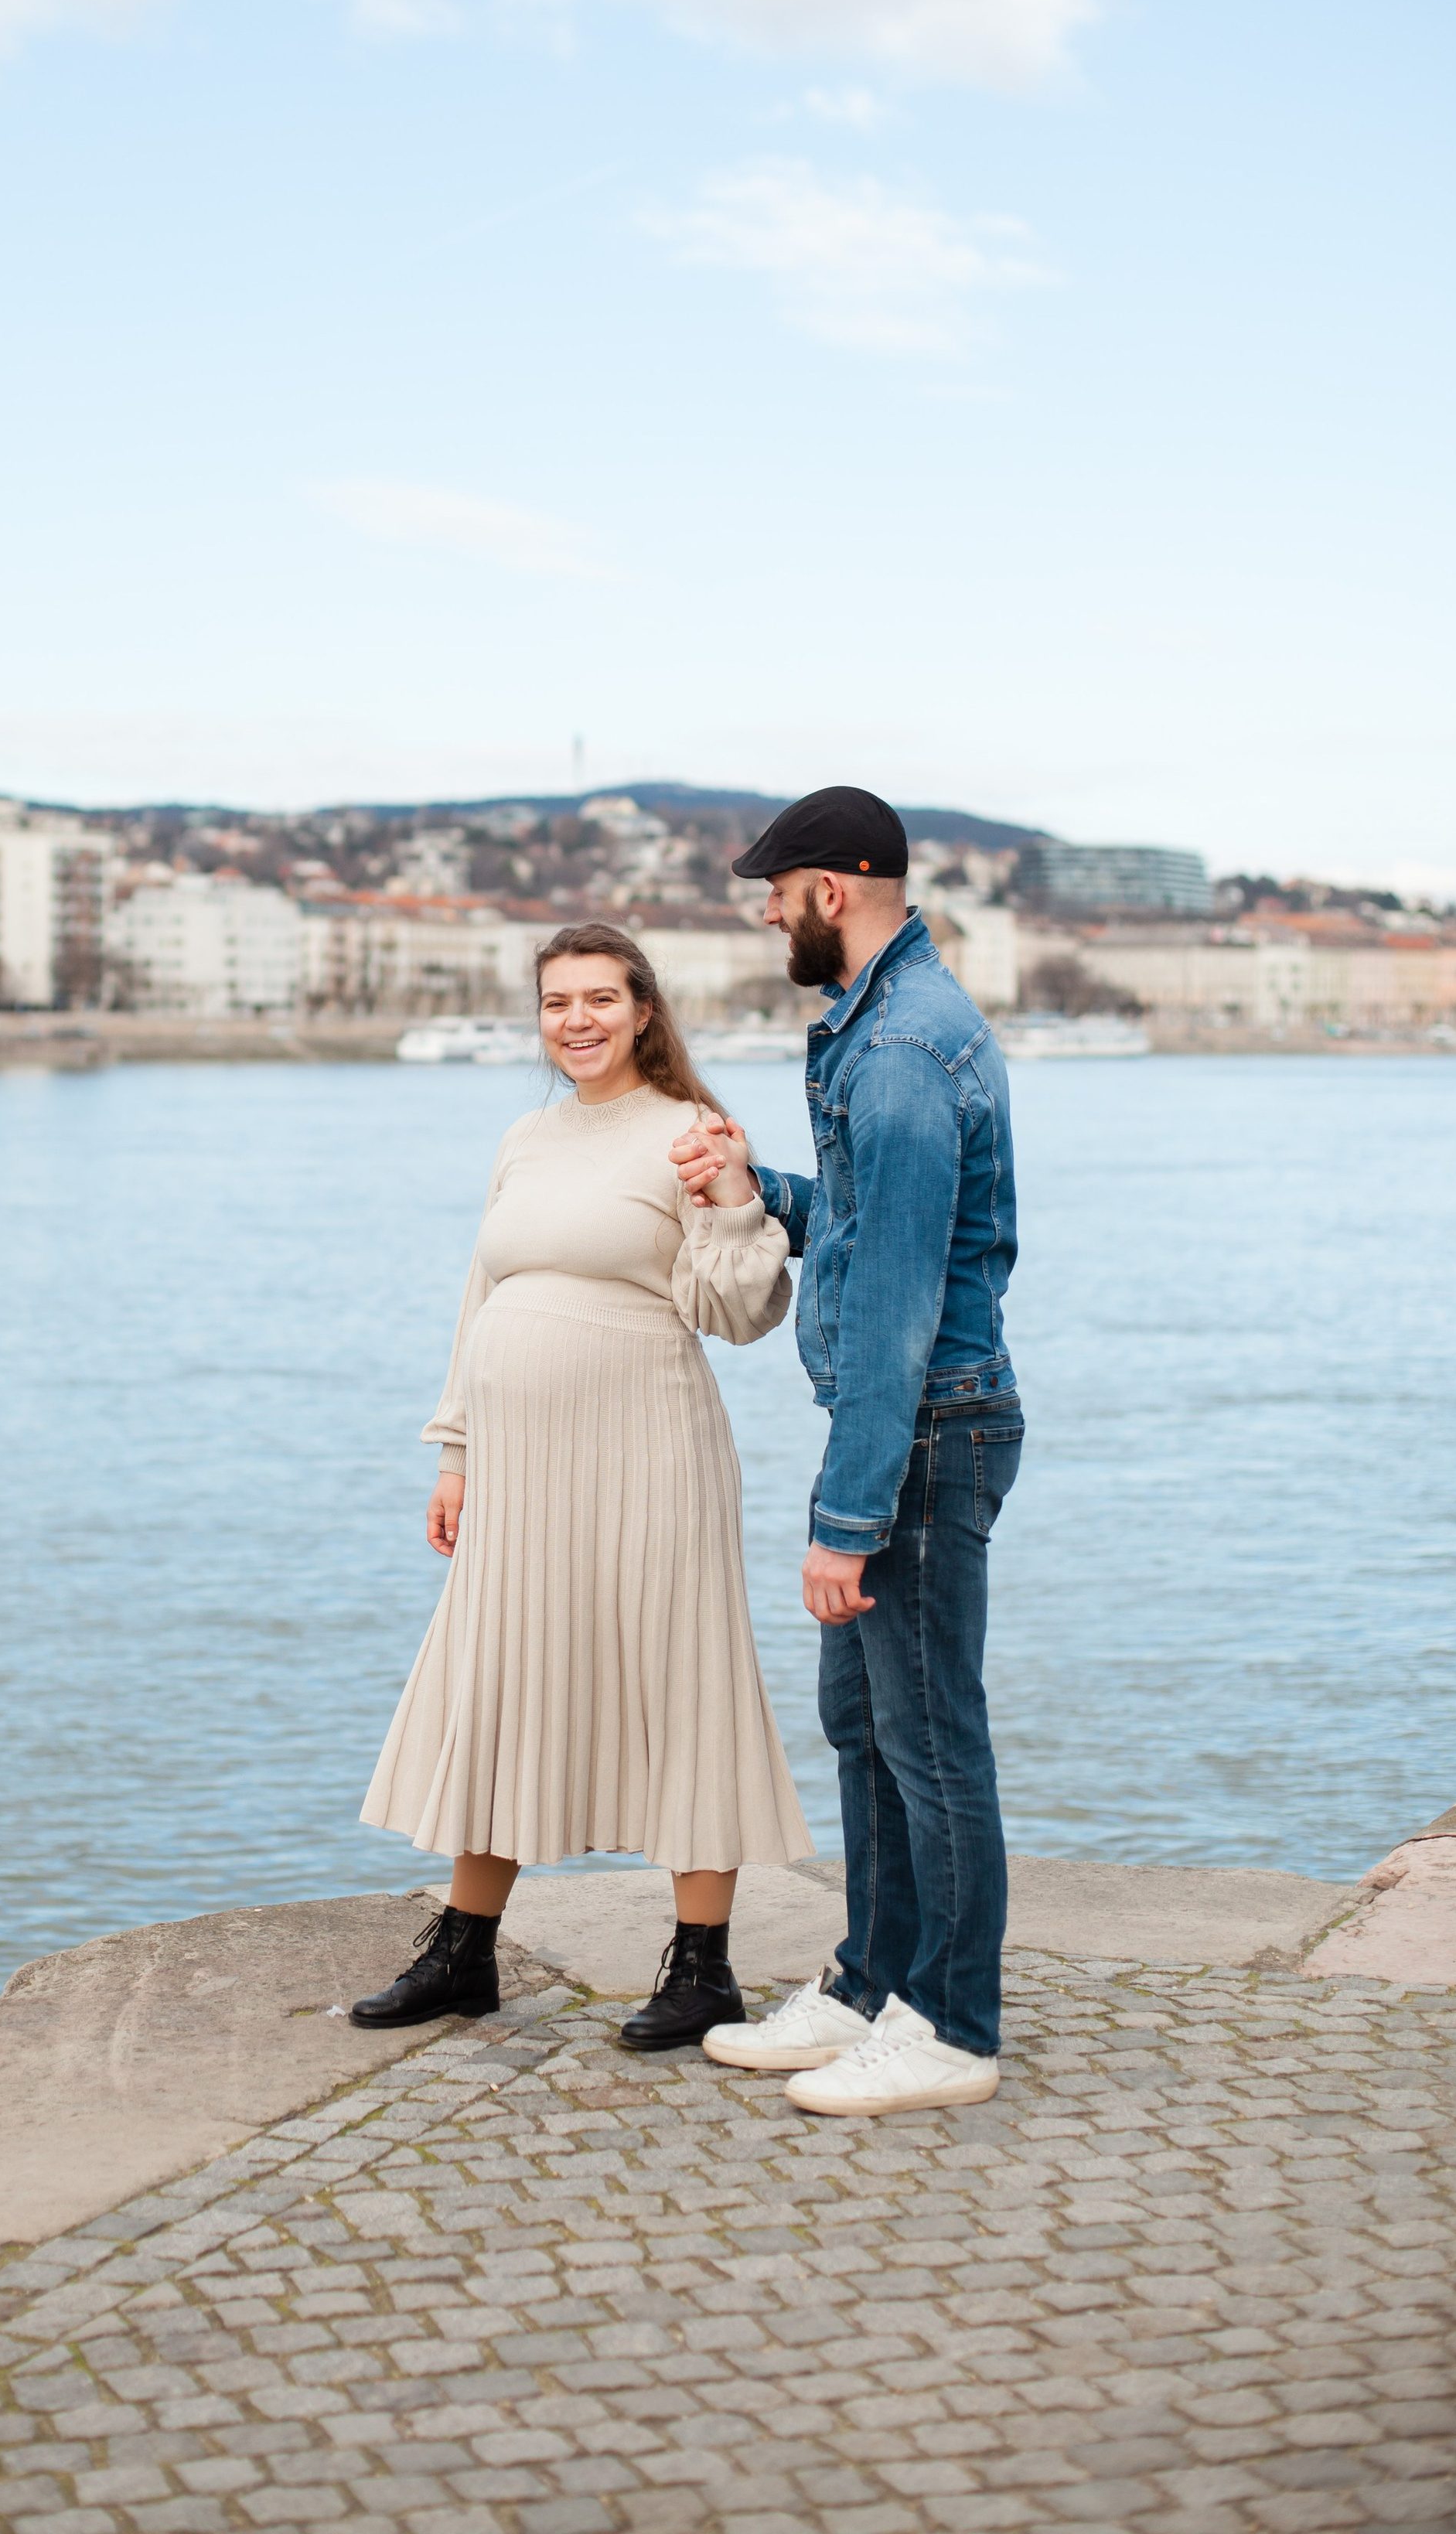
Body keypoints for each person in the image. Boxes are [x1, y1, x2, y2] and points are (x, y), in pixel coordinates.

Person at [354, 920, 813, 2049]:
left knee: (679, 1678)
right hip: (518, 1465)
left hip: (650, 1450)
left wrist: (743, 1197)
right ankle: (466, 1954)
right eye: (559, 1002)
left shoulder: (693, 1135)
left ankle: (703, 1969)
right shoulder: (526, 1136)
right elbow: (481, 1296)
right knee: (503, 1676)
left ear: (644, 1010)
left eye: (601, 998)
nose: (579, 1020)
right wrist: (456, 1450)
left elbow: (741, 1312)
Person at [672, 785, 1021, 2116]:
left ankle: (952, 2027)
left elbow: (895, 1311)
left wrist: (847, 1521)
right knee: (867, 1725)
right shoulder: (885, 1034)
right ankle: (871, 1984)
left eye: (777, 891)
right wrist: (757, 1188)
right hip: (911, 1422)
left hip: (923, 1429)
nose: (768, 914)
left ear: (834, 890)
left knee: (931, 1741)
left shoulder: (899, 1053)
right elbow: (875, 1230)